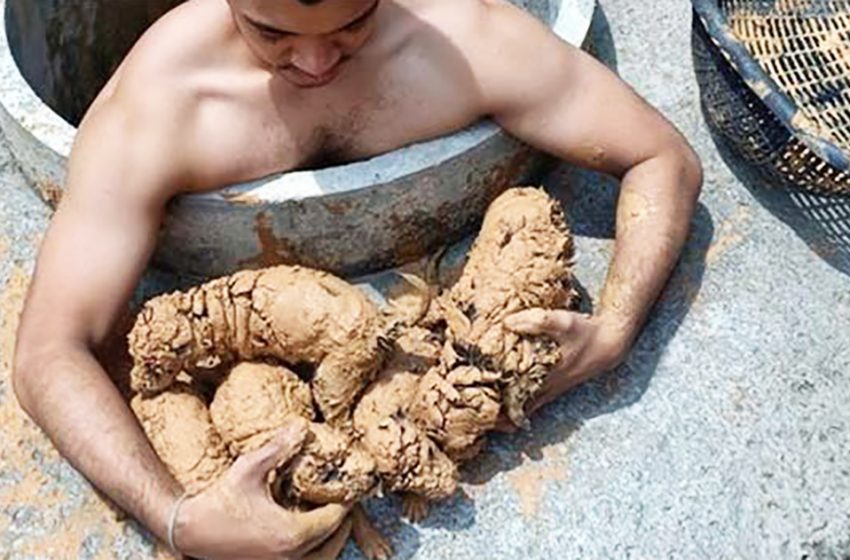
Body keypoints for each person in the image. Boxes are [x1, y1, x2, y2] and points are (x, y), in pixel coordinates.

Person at [12, 0, 703, 558]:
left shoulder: (465, 36)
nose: (315, 61)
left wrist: (615, 328)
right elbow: (50, 351)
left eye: (352, 23)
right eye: (271, 30)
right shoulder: (162, 103)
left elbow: (660, 157)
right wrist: (180, 519)